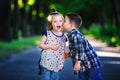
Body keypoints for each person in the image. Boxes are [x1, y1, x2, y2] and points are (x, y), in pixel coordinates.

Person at [63, 13, 103, 80]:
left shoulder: (75, 35)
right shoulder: (71, 35)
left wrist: (77, 63)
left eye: (64, 21)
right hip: (84, 65)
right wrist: (69, 55)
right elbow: (75, 50)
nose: (62, 22)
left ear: (71, 25)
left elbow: (79, 50)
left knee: (95, 78)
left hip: (90, 64)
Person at [38, 9, 66, 80]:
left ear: (63, 23)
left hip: (56, 63)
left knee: (55, 78)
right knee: (45, 78)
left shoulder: (64, 37)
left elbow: (63, 51)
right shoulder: (47, 33)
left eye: (60, 21)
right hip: (46, 62)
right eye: (55, 21)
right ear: (51, 23)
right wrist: (50, 46)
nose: (58, 23)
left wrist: (62, 63)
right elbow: (40, 45)